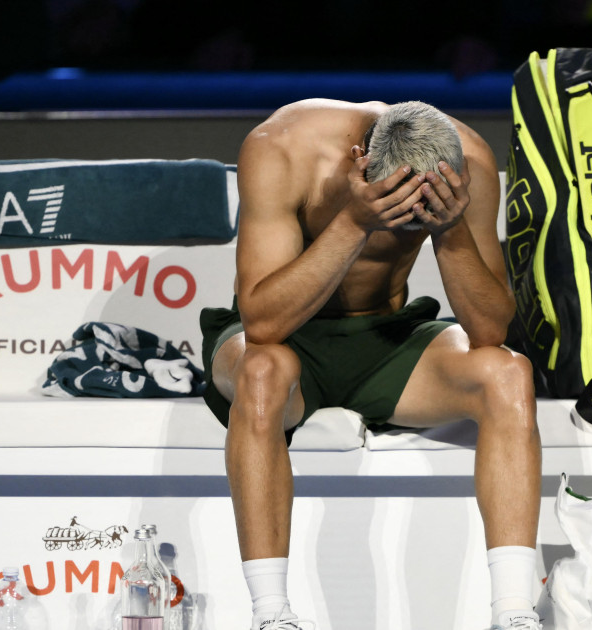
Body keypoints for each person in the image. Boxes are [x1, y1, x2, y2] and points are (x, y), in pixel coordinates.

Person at [198, 99, 543, 630]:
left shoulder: (467, 160)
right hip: (287, 339)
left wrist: (449, 229)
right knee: (263, 371)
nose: (408, 214)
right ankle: (271, 614)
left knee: (508, 372)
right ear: (360, 159)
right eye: (397, 201)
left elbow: (489, 330)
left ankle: (514, 611)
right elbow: (263, 322)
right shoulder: (282, 146)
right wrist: (354, 221)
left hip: (386, 340)